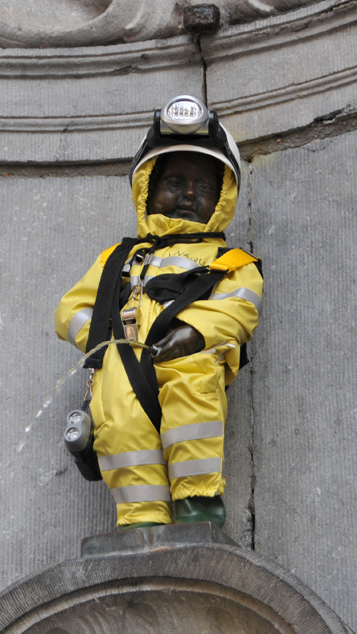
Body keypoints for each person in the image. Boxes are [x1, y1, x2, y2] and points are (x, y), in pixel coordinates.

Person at [55, 95, 263, 529]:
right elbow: (71, 308)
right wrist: (104, 348)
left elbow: (239, 309)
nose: (189, 195)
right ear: (147, 187)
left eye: (204, 188)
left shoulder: (232, 263)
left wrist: (194, 333)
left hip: (187, 360)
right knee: (122, 429)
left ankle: (198, 508)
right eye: (176, 183)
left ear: (223, 199)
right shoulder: (116, 259)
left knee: (194, 404)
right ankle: (139, 522)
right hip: (122, 370)